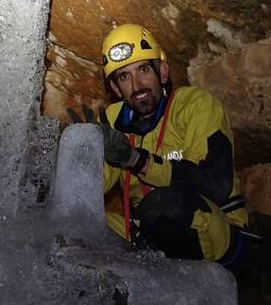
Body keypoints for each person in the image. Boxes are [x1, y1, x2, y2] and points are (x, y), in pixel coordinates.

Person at [98, 23, 258, 272]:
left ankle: (197, 296)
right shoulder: (113, 121)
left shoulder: (195, 105)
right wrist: (77, 155)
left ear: (162, 72)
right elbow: (88, 190)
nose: (137, 85)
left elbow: (216, 184)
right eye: (124, 77)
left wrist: (138, 161)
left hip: (216, 232)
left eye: (143, 70)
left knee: (163, 206)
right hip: (146, 238)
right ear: (116, 89)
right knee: (75, 225)